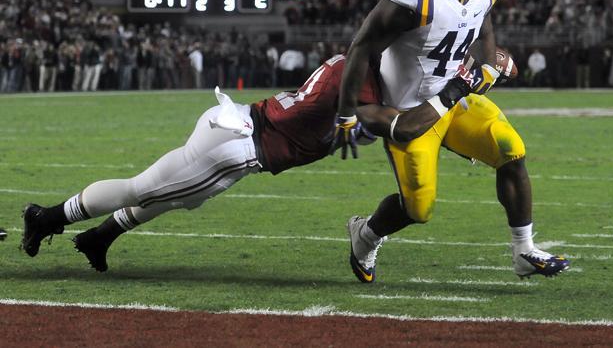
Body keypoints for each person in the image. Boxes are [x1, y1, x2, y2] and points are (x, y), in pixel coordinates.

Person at [20, 54, 450, 272]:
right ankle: (47, 217)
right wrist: (458, 88)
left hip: (238, 133)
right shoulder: (353, 82)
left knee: (175, 197)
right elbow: (400, 126)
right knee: (144, 188)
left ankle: (100, 237)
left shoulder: (353, 70)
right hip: (239, 143)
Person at [332, 0, 569, 283]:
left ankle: (524, 250)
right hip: (411, 110)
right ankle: (366, 234)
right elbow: (361, 47)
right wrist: (347, 114)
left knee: (511, 149)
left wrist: (487, 66)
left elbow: (483, 22)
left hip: (455, 99)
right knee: (418, 208)